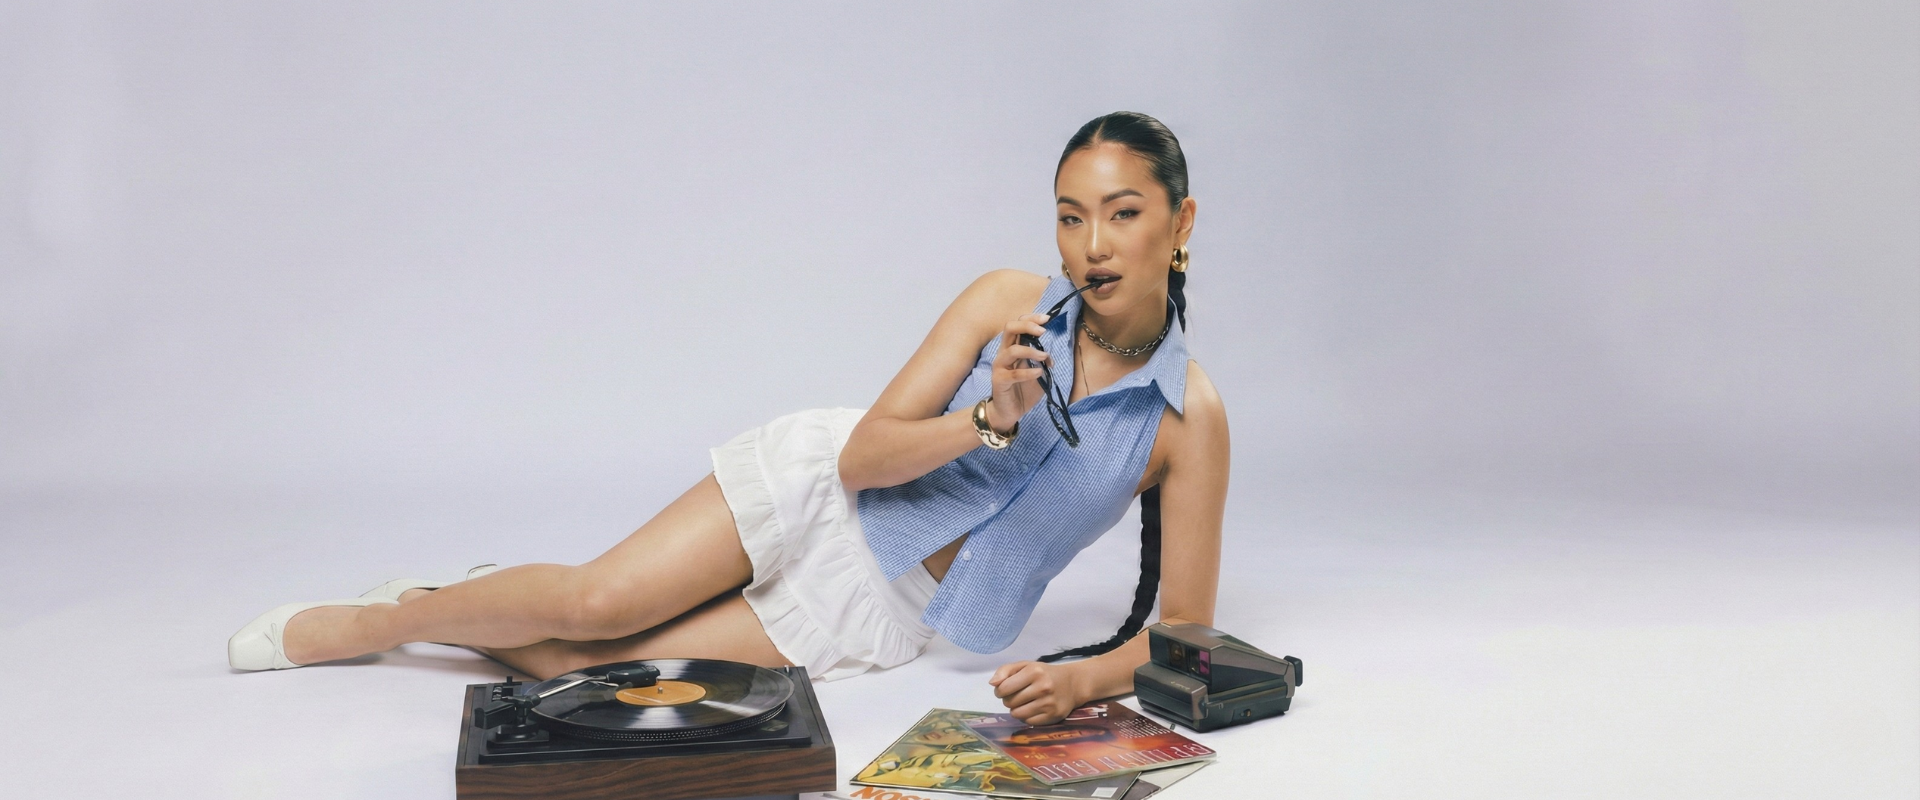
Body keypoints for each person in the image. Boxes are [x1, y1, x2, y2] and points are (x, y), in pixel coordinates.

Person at [227, 111, 1229, 725]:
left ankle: (470, 600)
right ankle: (382, 619)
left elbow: (1185, 630)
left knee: (597, 670)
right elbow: (864, 460)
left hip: (880, 612)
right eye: (1070, 215)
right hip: (822, 493)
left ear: (1179, 223)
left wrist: (1087, 682)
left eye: (1123, 213)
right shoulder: (1003, 303)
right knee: (595, 603)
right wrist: (988, 419)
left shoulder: (1190, 420)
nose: (1092, 245)